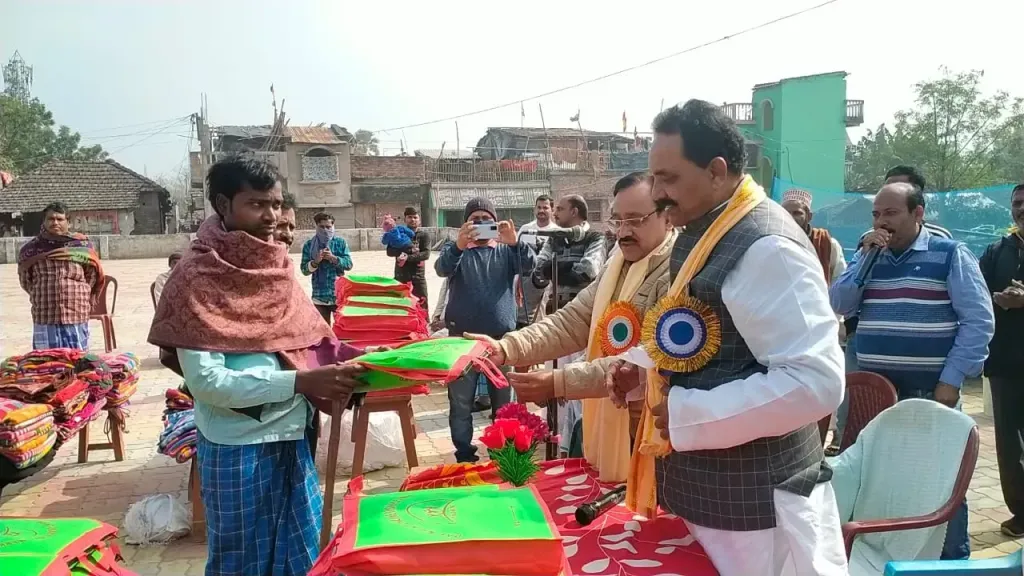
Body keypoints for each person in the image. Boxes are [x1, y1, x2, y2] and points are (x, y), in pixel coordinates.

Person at [611, 100, 847, 575]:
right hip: (710, 497)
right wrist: (646, 370)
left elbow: (816, 383)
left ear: (717, 171)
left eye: (668, 178)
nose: (656, 193)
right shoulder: (710, 228)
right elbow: (710, 337)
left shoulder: (767, 247)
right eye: (654, 178)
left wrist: (686, 412)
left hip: (754, 511)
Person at [148, 156, 364, 576]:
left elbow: (310, 341)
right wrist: (301, 382)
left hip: (293, 436)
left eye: (276, 204)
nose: (271, 217)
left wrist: (361, 362)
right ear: (223, 205)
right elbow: (208, 383)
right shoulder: (195, 277)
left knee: (302, 556)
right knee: (241, 562)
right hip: (237, 445)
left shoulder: (277, 268)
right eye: (257, 204)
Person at [471, 172, 676, 482]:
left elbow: (643, 360)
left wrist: (559, 382)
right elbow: (574, 320)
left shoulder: (675, 272)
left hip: (653, 434)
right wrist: (505, 347)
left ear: (668, 218)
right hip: (609, 422)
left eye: (635, 220)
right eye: (617, 221)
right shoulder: (618, 264)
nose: (623, 232)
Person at [831, 181, 994, 560]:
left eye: (891, 213)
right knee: (880, 475)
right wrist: (864, 259)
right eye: (876, 214)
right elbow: (838, 302)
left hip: (930, 392)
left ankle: (952, 560)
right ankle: (887, 553)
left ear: (918, 213)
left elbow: (979, 320)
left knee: (940, 479)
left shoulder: (950, 254)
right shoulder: (868, 256)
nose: (881, 222)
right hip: (877, 394)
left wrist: (952, 379)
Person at [435, 197, 535, 463]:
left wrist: (515, 242)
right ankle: (464, 455)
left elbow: (530, 266)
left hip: (500, 343)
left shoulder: (506, 251)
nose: (480, 224)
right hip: (461, 342)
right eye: (474, 220)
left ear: (496, 222)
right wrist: (458, 245)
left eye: (486, 220)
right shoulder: (457, 251)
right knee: (460, 403)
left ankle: (501, 453)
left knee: (503, 402)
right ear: (465, 224)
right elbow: (441, 269)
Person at [977, 183, 1024, 537]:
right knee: (1009, 443)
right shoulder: (996, 251)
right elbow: (975, 294)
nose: (1021, 209)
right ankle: (1020, 512)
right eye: (1017, 203)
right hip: (1006, 362)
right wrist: (998, 299)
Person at [18, 202, 104, 350]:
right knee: (46, 359)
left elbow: (92, 276)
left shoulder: (81, 247)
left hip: (76, 312)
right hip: (45, 313)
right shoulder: (31, 249)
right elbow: (26, 279)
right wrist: (43, 292)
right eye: (51, 219)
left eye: (60, 219)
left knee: (77, 359)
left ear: (68, 222)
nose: (55, 222)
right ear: (44, 222)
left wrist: (77, 293)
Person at [531, 194, 606, 312]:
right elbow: (538, 269)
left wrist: (553, 270)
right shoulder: (554, 238)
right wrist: (566, 269)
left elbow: (587, 271)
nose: (554, 214)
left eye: (560, 209)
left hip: (582, 309)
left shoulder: (596, 237)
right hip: (554, 308)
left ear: (574, 212)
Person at [780, 189, 846, 284]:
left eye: (797, 213)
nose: (790, 217)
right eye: (786, 213)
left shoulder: (827, 243)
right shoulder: (775, 241)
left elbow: (839, 279)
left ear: (809, 216)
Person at [300, 212, 353, 324]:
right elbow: (304, 270)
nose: (325, 230)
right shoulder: (309, 245)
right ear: (316, 226)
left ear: (333, 226)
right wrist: (315, 262)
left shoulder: (340, 243)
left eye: (328, 227)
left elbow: (349, 265)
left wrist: (333, 258)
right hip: (319, 296)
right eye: (322, 227)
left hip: (338, 295)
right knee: (323, 331)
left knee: (341, 328)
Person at [516, 195, 560, 326]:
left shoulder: (557, 232)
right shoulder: (525, 230)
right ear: (534, 209)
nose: (541, 211)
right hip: (525, 282)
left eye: (545, 208)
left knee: (542, 317)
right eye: (539, 207)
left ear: (552, 210)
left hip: (547, 283)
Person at [386, 206, 430, 312]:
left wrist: (408, 257)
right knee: (400, 309)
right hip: (401, 277)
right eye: (410, 217)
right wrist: (403, 253)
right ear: (405, 219)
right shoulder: (398, 234)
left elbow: (426, 254)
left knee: (422, 307)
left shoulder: (424, 236)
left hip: (418, 278)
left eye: (415, 217)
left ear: (419, 220)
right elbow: (389, 251)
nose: (413, 220)